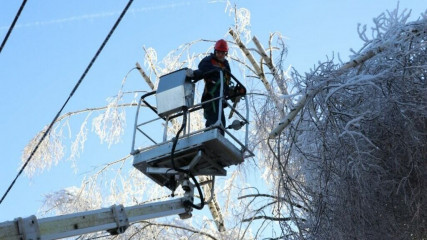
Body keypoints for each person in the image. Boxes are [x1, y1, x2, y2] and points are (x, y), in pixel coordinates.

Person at [186, 39, 232, 131]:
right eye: (218, 52)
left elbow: (226, 84)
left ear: (225, 54)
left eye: (222, 53)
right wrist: (193, 74)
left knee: (221, 121)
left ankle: (216, 137)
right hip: (211, 96)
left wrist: (234, 92)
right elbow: (202, 71)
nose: (220, 55)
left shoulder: (226, 66)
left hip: (220, 98)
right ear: (215, 51)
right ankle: (210, 136)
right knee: (213, 120)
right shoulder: (208, 61)